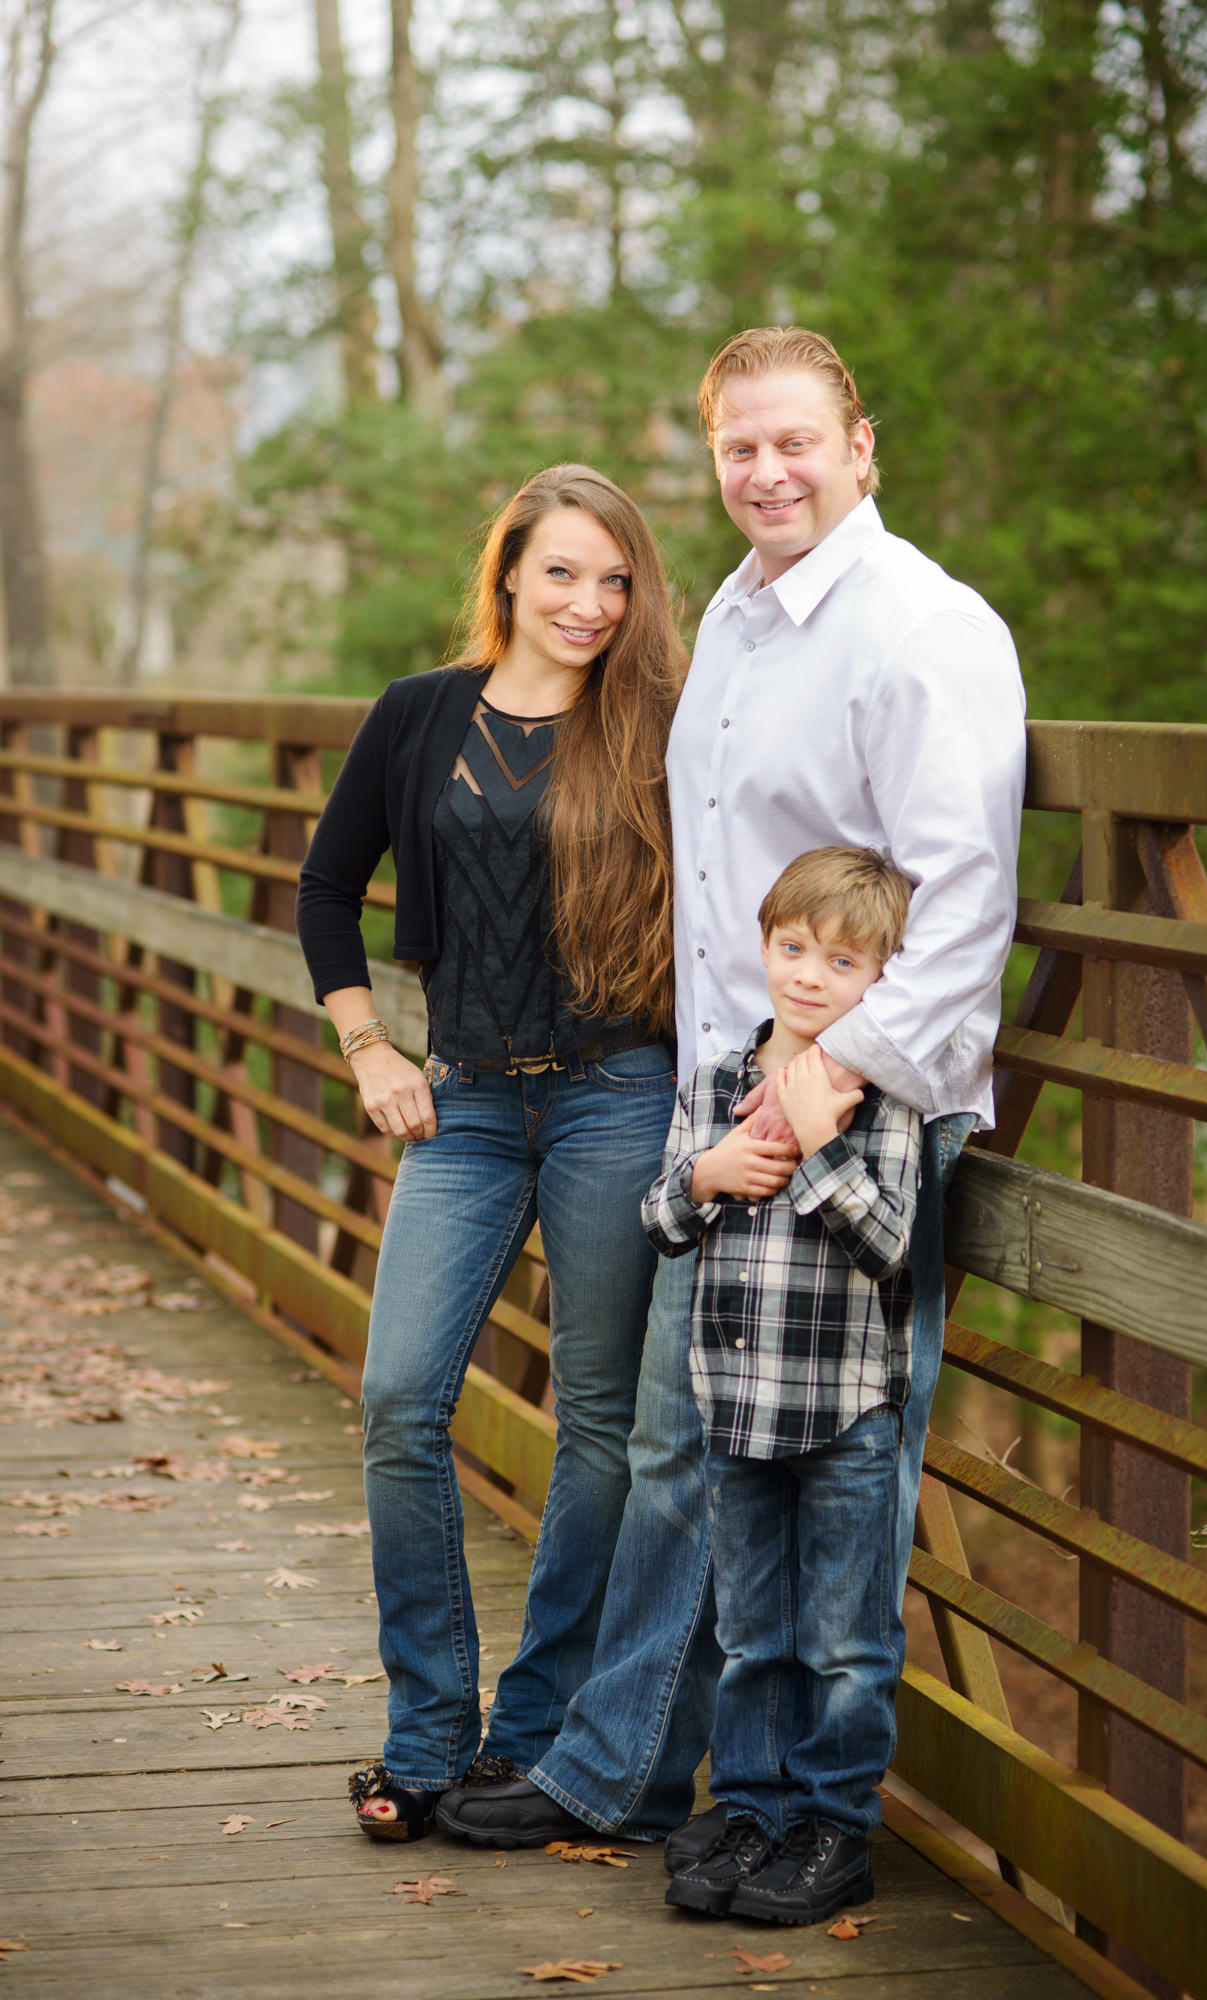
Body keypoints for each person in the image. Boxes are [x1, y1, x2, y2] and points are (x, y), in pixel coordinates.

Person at [438, 328, 1027, 1871]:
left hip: (854, 1113)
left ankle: (785, 1805)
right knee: (679, 1446)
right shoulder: (744, 620)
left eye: (793, 442)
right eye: (736, 449)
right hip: (725, 1097)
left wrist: (822, 1084)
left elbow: (961, 904)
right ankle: (646, 1771)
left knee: (835, 1484)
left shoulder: (917, 629)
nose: (764, 472)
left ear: (859, 444)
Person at [295, 464, 685, 1840]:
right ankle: (425, 1732)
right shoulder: (419, 715)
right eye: (562, 572)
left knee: (595, 1429)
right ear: (509, 571)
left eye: (615, 580)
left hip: (615, 1096)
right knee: (400, 1401)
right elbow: (327, 888)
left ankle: (533, 1735)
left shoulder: (656, 724)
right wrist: (369, 1047)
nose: (588, 604)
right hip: (459, 1105)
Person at [645, 846, 919, 1925]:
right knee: (754, 1628)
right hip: (735, 1403)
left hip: (846, 1407)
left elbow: (891, 1243)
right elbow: (659, 1220)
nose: (808, 974)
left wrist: (814, 1141)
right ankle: (753, 1807)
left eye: (841, 959)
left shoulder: (883, 1098)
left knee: (844, 1638)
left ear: (879, 979)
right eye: (792, 947)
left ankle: (833, 1822)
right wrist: (705, 1175)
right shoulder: (713, 1079)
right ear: (762, 947)